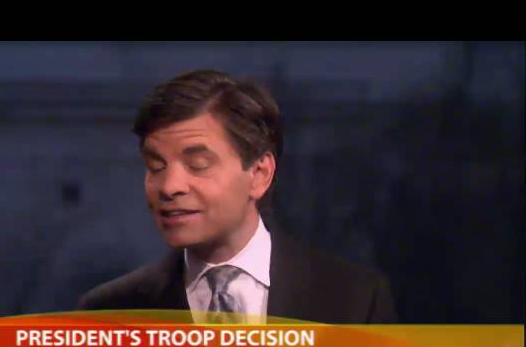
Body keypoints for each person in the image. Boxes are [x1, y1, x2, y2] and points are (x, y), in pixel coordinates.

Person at [79, 69, 397, 324]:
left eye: (197, 164)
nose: (169, 186)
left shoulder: (356, 301)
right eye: (155, 166)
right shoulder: (108, 315)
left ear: (259, 174)